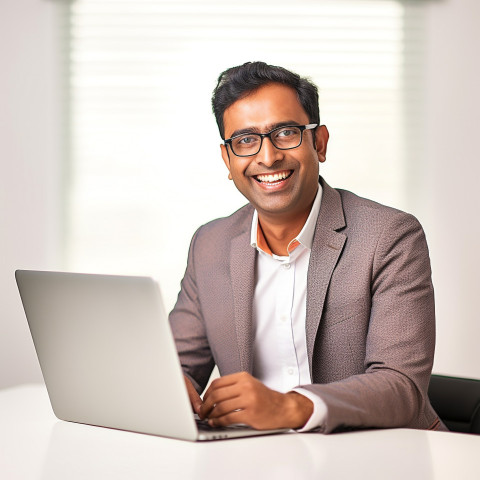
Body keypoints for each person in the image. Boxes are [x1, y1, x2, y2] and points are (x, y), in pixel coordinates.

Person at [169, 61, 446, 433]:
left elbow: (401, 387)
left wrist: (290, 407)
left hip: (383, 458)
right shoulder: (210, 245)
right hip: (258, 458)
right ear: (228, 160)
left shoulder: (390, 236)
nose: (267, 157)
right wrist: (168, 384)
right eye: (246, 140)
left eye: (285, 132)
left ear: (319, 142)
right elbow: (176, 366)